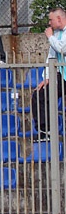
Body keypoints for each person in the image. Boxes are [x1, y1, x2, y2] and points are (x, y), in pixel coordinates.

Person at [31, 7, 66, 142]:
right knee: (40, 94)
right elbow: (51, 57)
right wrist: (47, 78)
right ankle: (45, 130)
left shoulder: (54, 36)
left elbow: (63, 49)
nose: (49, 23)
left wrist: (50, 37)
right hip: (61, 74)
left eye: (51, 20)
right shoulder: (56, 35)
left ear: (59, 19)